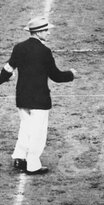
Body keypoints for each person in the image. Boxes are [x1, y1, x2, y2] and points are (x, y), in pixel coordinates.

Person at [0, 16, 76, 175]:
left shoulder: (19, 48)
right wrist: (71, 74)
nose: (48, 33)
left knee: (25, 128)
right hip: (40, 99)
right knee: (37, 134)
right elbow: (56, 76)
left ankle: (19, 158)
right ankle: (33, 165)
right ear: (38, 32)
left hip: (22, 97)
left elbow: (8, 69)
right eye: (46, 30)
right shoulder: (44, 51)